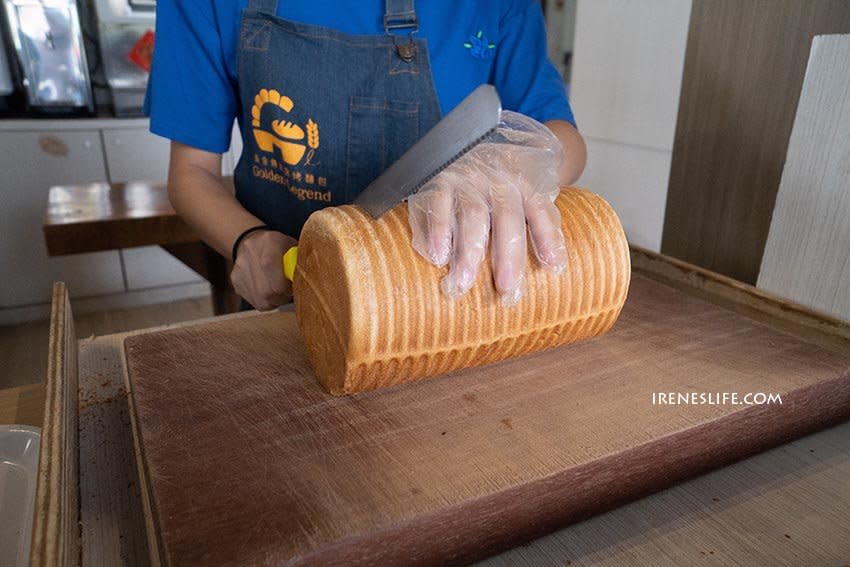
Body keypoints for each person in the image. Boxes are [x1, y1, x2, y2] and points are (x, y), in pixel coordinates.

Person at [146, 0, 586, 310]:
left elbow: (563, 138)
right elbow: (191, 173)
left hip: (448, 301)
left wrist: (504, 167)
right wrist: (248, 241)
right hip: (290, 301)